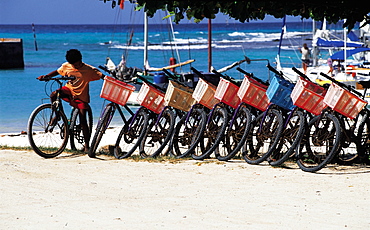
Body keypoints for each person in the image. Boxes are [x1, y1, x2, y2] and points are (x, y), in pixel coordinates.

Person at [37, 49, 105, 153]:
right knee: (53, 95)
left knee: (83, 120)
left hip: (81, 96)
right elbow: (57, 71)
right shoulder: (67, 66)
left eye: (76, 64)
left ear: (81, 60)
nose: (75, 67)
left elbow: (101, 76)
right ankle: (58, 115)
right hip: (69, 90)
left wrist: (111, 81)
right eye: (73, 65)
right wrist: (46, 76)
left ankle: (87, 146)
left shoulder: (89, 70)